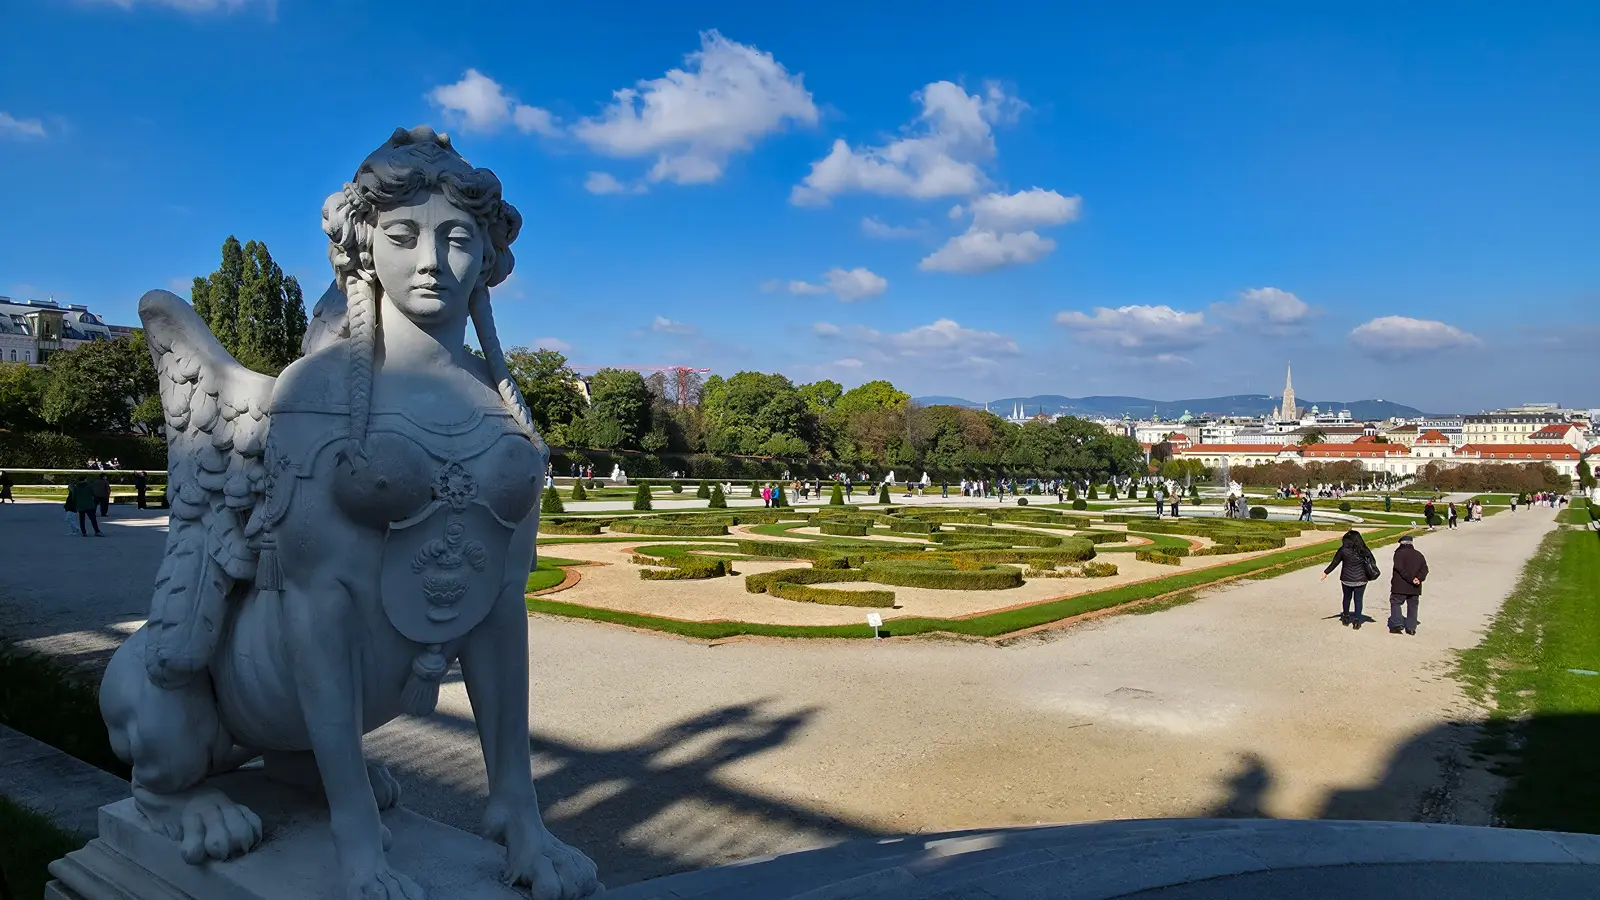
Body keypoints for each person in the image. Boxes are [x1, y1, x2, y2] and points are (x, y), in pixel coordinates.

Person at [1321, 529, 1377, 628]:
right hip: (1361, 579)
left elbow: (1334, 563)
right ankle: (1357, 621)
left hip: (1346, 578)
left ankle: (1346, 617)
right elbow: (1372, 562)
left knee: (1347, 598)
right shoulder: (1364, 550)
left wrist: (1326, 572)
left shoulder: (1343, 550)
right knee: (1358, 600)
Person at [1387, 535, 1429, 635]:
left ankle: (1397, 625)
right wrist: (1418, 578)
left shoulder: (1398, 554)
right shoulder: (1419, 554)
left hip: (1400, 585)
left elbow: (1400, 568)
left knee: (1396, 603)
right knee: (1413, 606)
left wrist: (1410, 579)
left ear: (1401, 543)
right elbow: (1425, 569)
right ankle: (1411, 628)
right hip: (1415, 587)